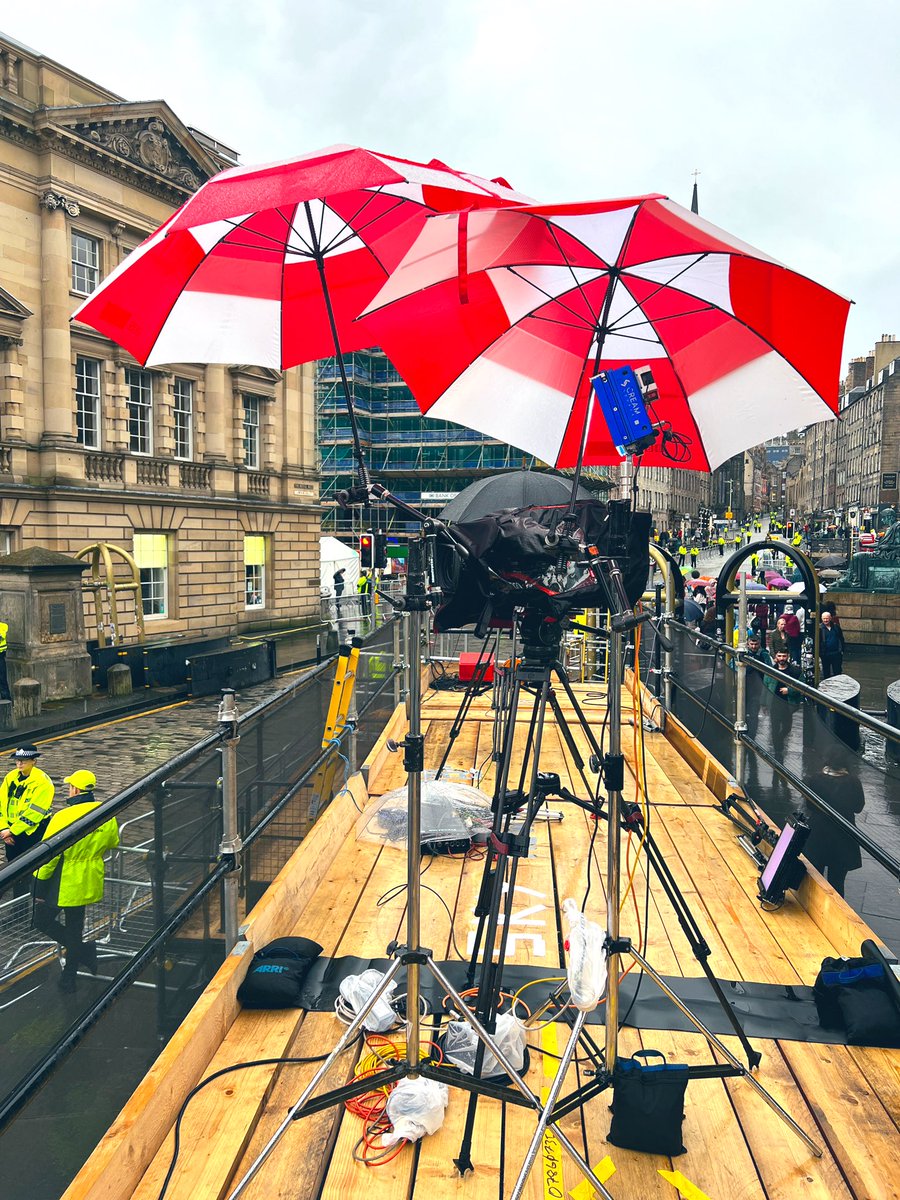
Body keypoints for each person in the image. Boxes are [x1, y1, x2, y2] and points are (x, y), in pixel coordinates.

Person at [33, 769, 119, 992]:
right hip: (89, 878)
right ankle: (68, 978)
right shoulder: (106, 812)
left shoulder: (63, 817)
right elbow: (113, 842)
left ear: (76, 789)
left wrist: (39, 885)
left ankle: (83, 952)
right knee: (74, 928)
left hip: (64, 882)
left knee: (40, 921)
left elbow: (48, 856)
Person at [803, 761, 865, 896]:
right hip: (843, 835)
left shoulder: (815, 779)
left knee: (815, 878)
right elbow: (858, 807)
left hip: (818, 835)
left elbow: (810, 806)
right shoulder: (853, 782)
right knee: (837, 882)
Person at [0, 745, 54, 894]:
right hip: (10, 833)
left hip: (31, 833)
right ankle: (20, 907)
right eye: (17, 760)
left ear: (34, 761)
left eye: (24, 761)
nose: (19, 764)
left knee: (30, 871)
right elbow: (1, 804)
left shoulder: (42, 781)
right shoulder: (11, 777)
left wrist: (12, 831)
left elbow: (35, 813)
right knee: (14, 870)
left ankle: (29, 905)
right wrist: (4, 828)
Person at [763, 647, 804, 761]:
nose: (782, 658)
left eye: (784, 656)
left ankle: (779, 742)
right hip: (774, 704)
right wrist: (764, 704)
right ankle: (778, 751)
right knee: (775, 728)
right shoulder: (770, 670)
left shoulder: (795, 671)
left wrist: (789, 690)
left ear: (788, 656)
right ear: (776, 656)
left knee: (787, 727)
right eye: (780, 656)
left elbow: (801, 686)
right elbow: (765, 686)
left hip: (787, 705)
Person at [819, 610, 845, 677]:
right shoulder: (820, 628)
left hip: (836, 653)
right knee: (826, 672)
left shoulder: (836, 627)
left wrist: (842, 650)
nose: (825, 620)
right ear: (821, 619)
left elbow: (841, 638)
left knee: (837, 671)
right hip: (825, 654)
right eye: (824, 618)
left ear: (830, 618)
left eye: (827, 618)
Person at [0, 616, 10, 702]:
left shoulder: (3, 626)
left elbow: (1, 637)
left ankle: (6, 700)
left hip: (0, 655)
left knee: (2, 678)